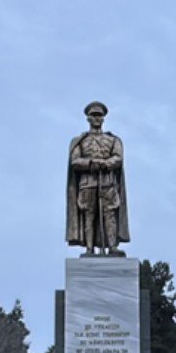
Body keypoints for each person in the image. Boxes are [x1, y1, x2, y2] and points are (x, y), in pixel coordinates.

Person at [65, 101, 130, 255]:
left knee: (110, 215)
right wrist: (92, 163)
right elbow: (75, 161)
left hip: (108, 182)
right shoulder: (80, 141)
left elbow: (118, 158)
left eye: (99, 115)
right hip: (87, 183)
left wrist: (106, 163)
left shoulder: (113, 140)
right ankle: (89, 248)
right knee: (89, 215)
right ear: (88, 118)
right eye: (93, 115)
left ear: (103, 118)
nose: (96, 118)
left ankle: (112, 246)